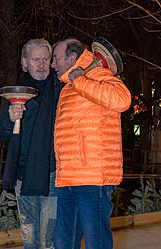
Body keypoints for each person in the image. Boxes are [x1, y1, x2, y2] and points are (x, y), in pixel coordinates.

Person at [52, 38, 131, 249]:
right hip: (67, 178)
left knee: (97, 242)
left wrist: (81, 81)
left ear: (71, 57)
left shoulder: (100, 75)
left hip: (93, 178)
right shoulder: (67, 87)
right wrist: (76, 81)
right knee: (63, 241)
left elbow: (122, 99)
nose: (53, 64)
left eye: (56, 58)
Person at [0, 38, 63, 249]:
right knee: (29, 237)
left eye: (45, 58)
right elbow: (3, 135)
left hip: (53, 173)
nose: (42, 64)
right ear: (25, 62)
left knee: (48, 239)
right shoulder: (16, 93)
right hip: (23, 176)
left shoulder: (62, 90)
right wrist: (10, 117)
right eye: (36, 59)